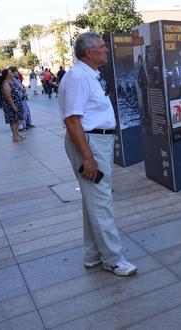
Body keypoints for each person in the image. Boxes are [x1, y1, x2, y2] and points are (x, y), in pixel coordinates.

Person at [59, 32, 136, 276]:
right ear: (88, 53)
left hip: (96, 141)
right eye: (102, 47)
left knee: (93, 200)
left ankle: (93, 254)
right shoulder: (78, 77)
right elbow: (72, 120)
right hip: (89, 143)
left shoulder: (87, 75)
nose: (106, 50)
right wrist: (88, 157)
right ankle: (113, 259)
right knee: (101, 201)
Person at [0, 68, 25, 142]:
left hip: (16, 103)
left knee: (17, 120)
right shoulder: (6, 84)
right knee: (13, 121)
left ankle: (17, 134)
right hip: (11, 105)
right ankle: (15, 136)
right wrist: (13, 106)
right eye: (10, 72)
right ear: (7, 75)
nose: (12, 73)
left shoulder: (10, 82)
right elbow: (8, 96)